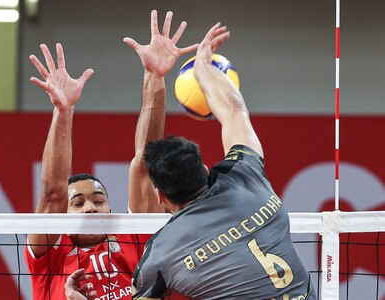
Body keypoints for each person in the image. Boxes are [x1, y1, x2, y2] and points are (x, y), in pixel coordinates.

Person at [131, 23, 316, 300]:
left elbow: (142, 167)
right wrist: (204, 67)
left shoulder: (161, 252)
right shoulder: (246, 176)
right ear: (204, 170)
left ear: (160, 197)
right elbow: (234, 111)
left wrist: (154, 77)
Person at [24, 10, 198, 300]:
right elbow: (52, 192)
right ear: (63, 216)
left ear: (110, 208)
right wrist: (63, 111)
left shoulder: (134, 234)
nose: (90, 208)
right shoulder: (50, 256)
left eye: (98, 199)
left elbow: (146, 162)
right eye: (77, 203)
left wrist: (154, 76)